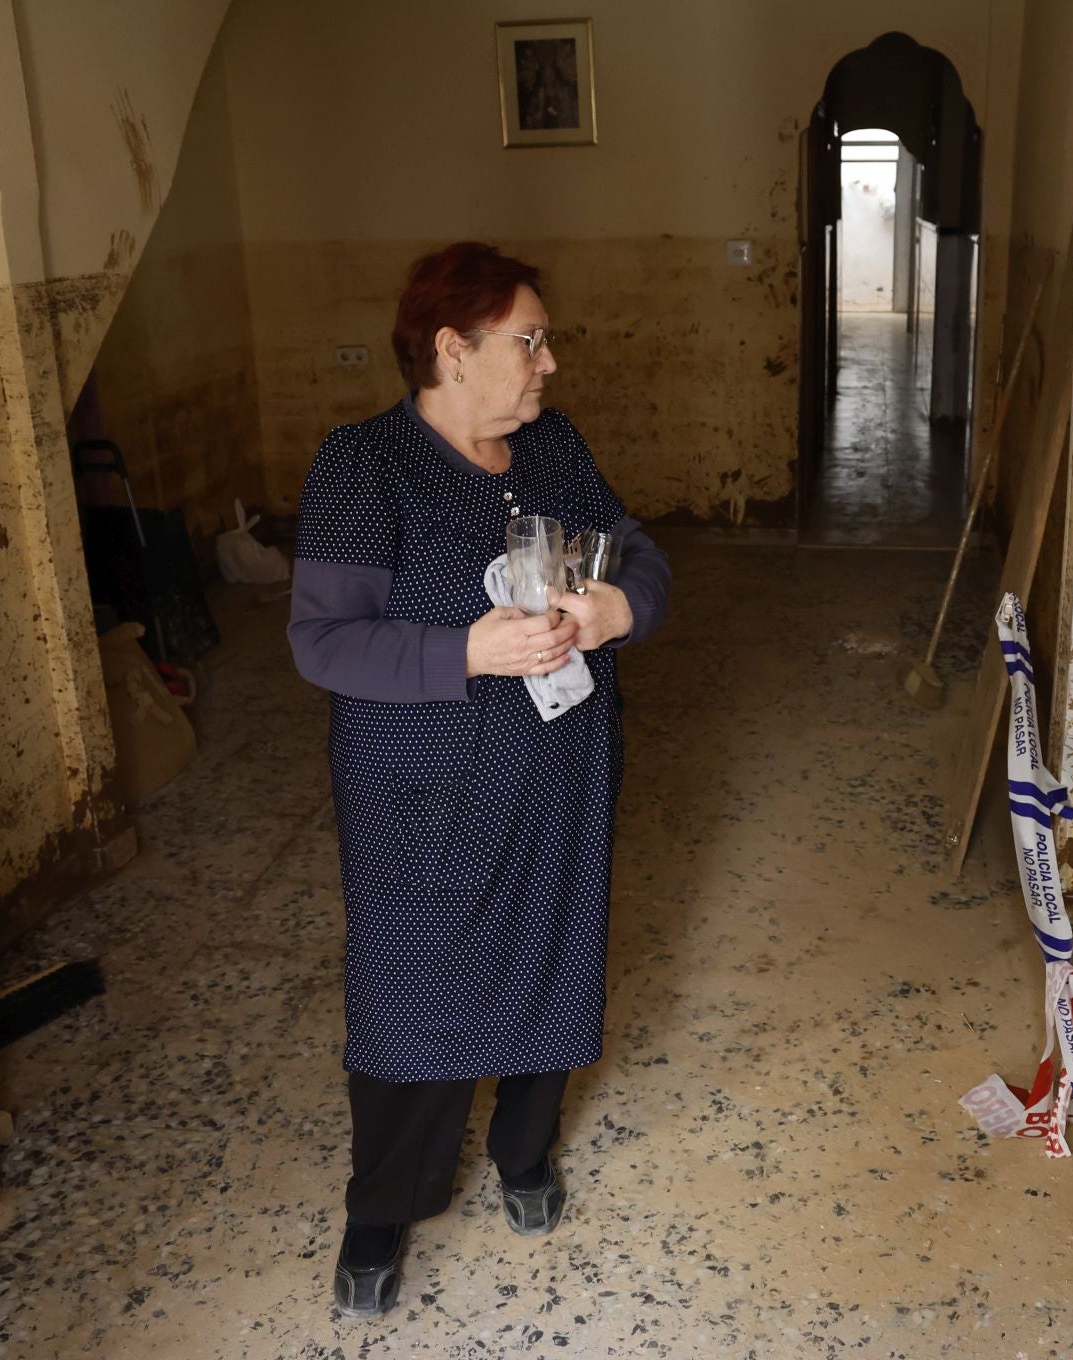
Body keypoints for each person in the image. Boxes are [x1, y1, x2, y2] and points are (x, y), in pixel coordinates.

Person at [287, 242, 671, 1317]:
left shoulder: (553, 452)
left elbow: (640, 556)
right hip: (426, 794)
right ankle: (383, 1206)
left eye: (544, 340)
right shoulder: (364, 466)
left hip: (555, 775)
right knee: (414, 996)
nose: (549, 363)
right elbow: (323, 642)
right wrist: (465, 650)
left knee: (550, 960)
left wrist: (615, 610)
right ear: (452, 350)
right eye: (529, 341)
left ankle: (525, 1152)